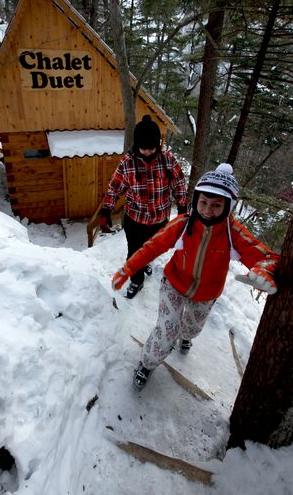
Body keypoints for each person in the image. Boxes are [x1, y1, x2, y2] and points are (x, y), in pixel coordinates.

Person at [111, 163, 280, 391]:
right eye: (203, 202)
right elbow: (153, 246)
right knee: (166, 331)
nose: (207, 210)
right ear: (196, 200)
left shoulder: (233, 232)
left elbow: (265, 256)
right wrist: (129, 268)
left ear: (228, 206)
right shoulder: (183, 223)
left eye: (216, 205)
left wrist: (263, 269)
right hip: (174, 283)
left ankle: (186, 336)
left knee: (191, 329)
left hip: (206, 293)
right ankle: (147, 363)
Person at [99, 114, 187, 299]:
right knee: (134, 252)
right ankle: (136, 281)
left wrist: (182, 208)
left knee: (151, 248)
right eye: (143, 148)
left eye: (151, 148)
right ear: (137, 145)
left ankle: (145, 262)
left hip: (159, 220)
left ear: (158, 145)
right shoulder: (127, 163)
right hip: (134, 219)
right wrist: (106, 210)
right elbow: (114, 188)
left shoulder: (167, 160)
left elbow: (179, 184)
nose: (147, 152)